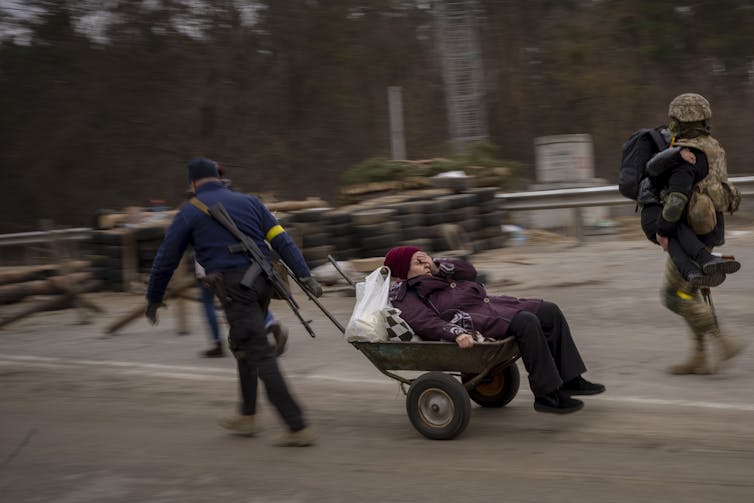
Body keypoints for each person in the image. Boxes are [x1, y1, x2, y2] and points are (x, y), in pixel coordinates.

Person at [145, 157, 323, 446]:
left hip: (235, 289)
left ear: (192, 183)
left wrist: (154, 297)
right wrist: (305, 276)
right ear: (219, 177)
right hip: (265, 282)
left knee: (259, 352)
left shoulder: (189, 211)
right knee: (243, 345)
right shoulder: (251, 202)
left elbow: (165, 259)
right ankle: (247, 417)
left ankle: (297, 426)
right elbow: (282, 240)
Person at [383, 246, 605, 414]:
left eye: (425, 258)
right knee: (526, 321)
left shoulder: (437, 274)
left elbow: (470, 271)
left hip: (493, 305)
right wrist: (455, 333)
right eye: (418, 262)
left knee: (549, 311)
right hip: (471, 320)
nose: (425, 264)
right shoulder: (406, 296)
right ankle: (547, 396)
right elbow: (425, 322)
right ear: (404, 271)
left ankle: (570, 380)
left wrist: (436, 265)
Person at [645, 93, 744, 374]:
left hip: (688, 234)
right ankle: (700, 355)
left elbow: (677, 199)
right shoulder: (714, 147)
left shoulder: (685, 152)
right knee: (691, 291)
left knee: (674, 296)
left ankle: (720, 339)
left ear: (678, 121)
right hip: (712, 229)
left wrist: (663, 228)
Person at [638, 140, 740, 287]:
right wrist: (679, 154)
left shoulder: (666, 171)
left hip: (658, 215)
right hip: (651, 215)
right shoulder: (655, 168)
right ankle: (705, 259)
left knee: (674, 237)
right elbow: (653, 165)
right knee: (674, 228)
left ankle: (693, 273)